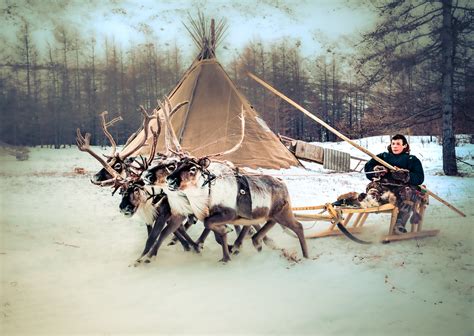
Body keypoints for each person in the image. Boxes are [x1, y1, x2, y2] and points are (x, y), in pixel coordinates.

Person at [364, 134, 426, 234]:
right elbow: (368, 170)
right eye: (393, 144)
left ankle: (399, 224)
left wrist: (405, 176)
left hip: (401, 190)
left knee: (408, 192)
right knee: (373, 186)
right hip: (384, 188)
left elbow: (419, 178)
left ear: (405, 145)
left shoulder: (412, 159)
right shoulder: (382, 157)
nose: (395, 146)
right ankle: (371, 201)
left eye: (398, 144)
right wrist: (376, 171)